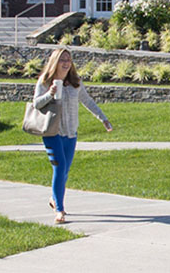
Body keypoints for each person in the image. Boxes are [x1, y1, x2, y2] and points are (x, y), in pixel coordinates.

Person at [33, 48, 112, 224]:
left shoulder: (75, 82)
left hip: (71, 133)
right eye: (62, 59)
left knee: (65, 171)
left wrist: (103, 119)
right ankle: (59, 210)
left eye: (68, 59)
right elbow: (36, 103)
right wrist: (50, 93)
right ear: (55, 61)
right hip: (52, 132)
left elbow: (87, 101)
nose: (66, 62)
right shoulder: (45, 81)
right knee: (59, 168)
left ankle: (55, 198)